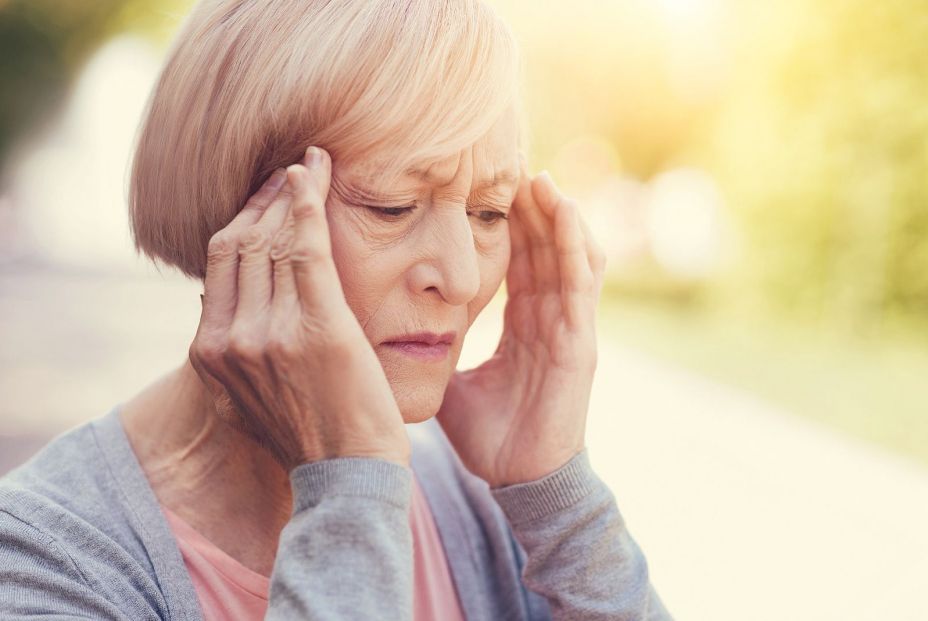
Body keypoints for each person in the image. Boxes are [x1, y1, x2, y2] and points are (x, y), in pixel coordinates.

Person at [0, 1, 674, 619]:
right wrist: (349, 495)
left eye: (488, 212)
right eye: (392, 205)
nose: (463, 277)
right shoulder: (42, 563)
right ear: (243, 217)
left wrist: (559, 502)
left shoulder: (475, 499)